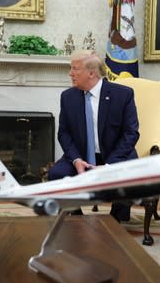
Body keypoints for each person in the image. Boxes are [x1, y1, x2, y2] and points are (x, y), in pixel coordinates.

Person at [47, 50, 139, 222]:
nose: (70, 73)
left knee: (129, 175)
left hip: (115, 156)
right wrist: (76, 159)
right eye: (71, 68)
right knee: (56, 174)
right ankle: (76, 220)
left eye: (75, 69)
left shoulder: (123, 95)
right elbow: (64, 133)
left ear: (91, 73)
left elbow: (131, 133)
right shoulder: (68, 97)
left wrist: (109, 165)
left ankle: (115, 220)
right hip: (81, 156)